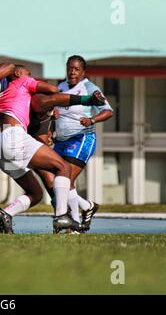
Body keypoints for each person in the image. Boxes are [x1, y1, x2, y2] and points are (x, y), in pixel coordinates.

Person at [0, 60, 106, 234]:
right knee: (62, 167)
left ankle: (6, 213)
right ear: (18, 74)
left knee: (36, 193)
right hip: (15, 138)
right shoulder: (19, 83)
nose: (30, 77)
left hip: (1, 149)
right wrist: (86, 100)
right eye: (28, 74)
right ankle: (63, 216)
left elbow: (6, 71)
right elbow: (54, 93)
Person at [36, 55, 113, 233]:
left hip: (81, 138)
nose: (72, 72)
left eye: (76, 69)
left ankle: (75, 226)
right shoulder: (60, 87)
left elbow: (108, 111)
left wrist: (92, 119)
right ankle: (87, 207)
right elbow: (57, 112)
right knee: (60, 184)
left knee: (65, 180)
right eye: (70, 68)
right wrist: (50, 128)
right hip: (61, 141)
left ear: (83, 72)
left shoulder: (89, 88)